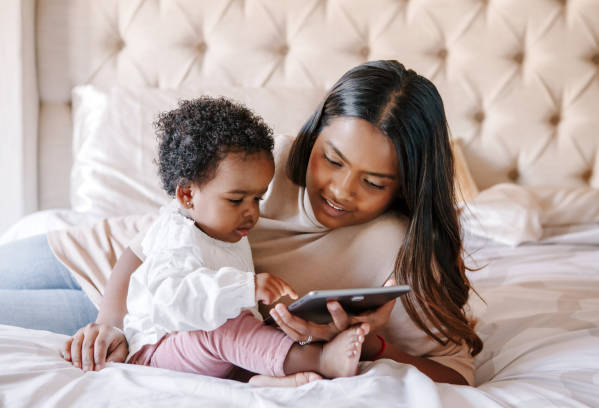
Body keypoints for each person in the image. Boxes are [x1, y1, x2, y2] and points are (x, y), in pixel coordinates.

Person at [0, 60, 482, 386]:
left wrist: (374, 345)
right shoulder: (269, 163)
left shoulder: (401, 250)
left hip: (164, 326)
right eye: (331, 160)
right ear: (315, 136)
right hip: (110, 269)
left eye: (374, 182)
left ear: (406, 185)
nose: (340, 190)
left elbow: (456, 374)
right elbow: (146, 245)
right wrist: (109, 323)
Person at [121, 96, 369, 382]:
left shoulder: (226, 230)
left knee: (254, 328)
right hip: (157, 352)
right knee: (225, 329)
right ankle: (320, 360)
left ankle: (261, 380)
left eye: (258, 198)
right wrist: (245, 287)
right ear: (187, 195)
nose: (252, 212)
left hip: (209, 354)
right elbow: (171, 301)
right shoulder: (177, 236)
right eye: (236, 199)